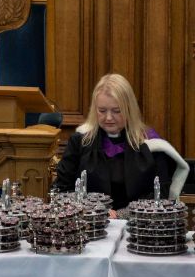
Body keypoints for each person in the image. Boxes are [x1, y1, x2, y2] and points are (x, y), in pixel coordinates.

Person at [54, 73, 188, 215]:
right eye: (102, 111)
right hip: (90, 225)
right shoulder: (80, 142)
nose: (109, 117)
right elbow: (61, 190)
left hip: (137, 226)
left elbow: (161, 195)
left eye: (117, 111)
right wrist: (95, 211)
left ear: (129, 109)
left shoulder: (151, 144)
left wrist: (123, 214)